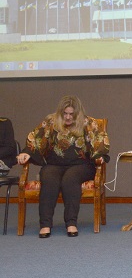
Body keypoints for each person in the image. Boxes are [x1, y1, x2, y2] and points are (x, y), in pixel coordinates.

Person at [16, 96, 109, 238]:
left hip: (81, 165)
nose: (68, 117)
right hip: (54, 164)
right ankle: (45, 224)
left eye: (71, 114)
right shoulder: (51, 121)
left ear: (77, 113)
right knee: (48, 178)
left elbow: (100, 142)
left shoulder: (88, 123)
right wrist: (26, 152)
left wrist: (99, 155)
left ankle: (71, 223)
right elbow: (35, 138)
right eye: (65, 113)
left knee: (70, 179)